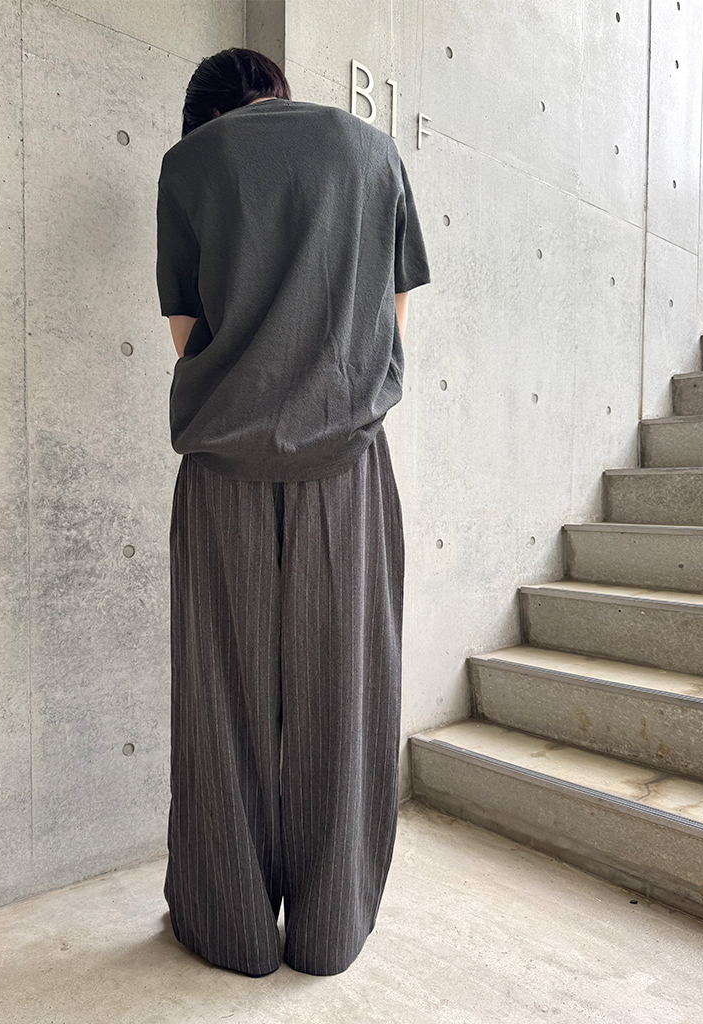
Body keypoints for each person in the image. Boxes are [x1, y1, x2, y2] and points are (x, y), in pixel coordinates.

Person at [156, 47, 431, 978]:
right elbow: (393, 318)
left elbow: (190, 339)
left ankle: (228, 925)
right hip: (346, 466)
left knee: (219, 699)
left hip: (222, 467)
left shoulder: (188, 166)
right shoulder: (374, 153)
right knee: (344, 694)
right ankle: (329, 930)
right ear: (277, 91)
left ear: (204, 114)